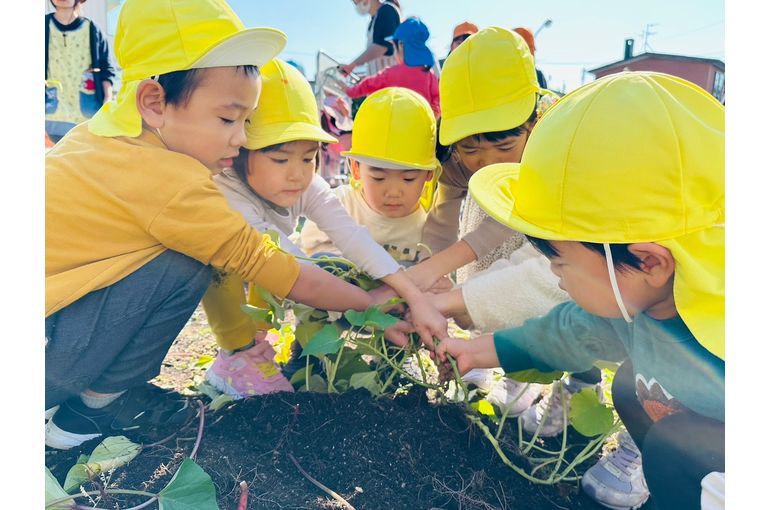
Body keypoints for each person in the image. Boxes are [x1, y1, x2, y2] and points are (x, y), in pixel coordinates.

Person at [43, 0, 432, 450]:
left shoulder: (94, 138)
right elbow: (280, 269)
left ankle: (80, 404)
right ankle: (89, 409)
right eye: (228, 119)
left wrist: (397, 290)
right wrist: (372, 308)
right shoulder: (174, 183)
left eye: (247, 120)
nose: (241, 138)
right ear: (154, 101)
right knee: (186, 264)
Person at [436, 72, 725, 510]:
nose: (556, 276)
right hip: (695, 456)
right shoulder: (639, 305)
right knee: (632, 388)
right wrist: (476, 351)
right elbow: (571, 332)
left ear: (648, 261)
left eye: (560, 261)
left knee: (673, 436)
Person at [202, 61, 446, 398]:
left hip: (273, 263)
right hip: (233, 269)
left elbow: (350, 235)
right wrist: (368, 304)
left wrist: (413, 295)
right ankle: (235, 353)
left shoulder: (307, 185)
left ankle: (260, 345)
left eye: (308, 158)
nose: (298, 174)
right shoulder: (226, 194)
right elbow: (294, 271)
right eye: (281, 159)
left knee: (308, 267)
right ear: (240, 151)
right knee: (227, 266)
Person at [408, 27, 549, 289]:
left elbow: (506, 219)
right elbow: (442, 220)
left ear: (533, 122)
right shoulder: (453, 158)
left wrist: (438, 267)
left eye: (505, 147)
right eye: (471, 150)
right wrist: (429, 268)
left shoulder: (551, 143)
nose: (489, 161)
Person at [301, 87, 439, 268]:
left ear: (429, 174)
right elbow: (311, 250)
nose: (393, 192)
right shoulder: (337, 205)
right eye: (379, 178)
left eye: (409, 179)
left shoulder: (432, 223)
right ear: (355, 168)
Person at [45, 0, 115, 142]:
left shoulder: (92, 29)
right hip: (51, 116)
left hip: (87, 115)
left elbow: (106, 69)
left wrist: (107, 100)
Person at [342, 17, 440, 118]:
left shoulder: (390, 74)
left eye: (394, 47)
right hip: (421, 128)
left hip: (396, 127)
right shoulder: (430, 75)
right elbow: (437, 103)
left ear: (401, 45)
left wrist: (347, 90)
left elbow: (367, 85)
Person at [339, 0, 402, 77]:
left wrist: (352, 66)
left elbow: (382, 46)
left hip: (390, 81)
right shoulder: (373, 21)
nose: (356, 3)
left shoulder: (386, 10)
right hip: (380, 81)